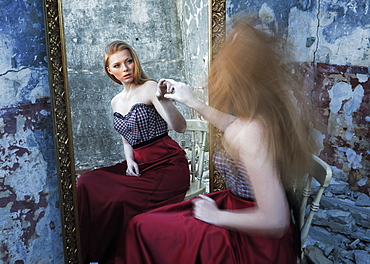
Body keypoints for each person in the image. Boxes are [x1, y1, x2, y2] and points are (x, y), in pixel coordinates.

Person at [122, 17, 317, 264]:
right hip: (235, 208)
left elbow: (276, 221)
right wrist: (191, 101)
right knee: (145, 224)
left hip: (251, 240)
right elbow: (233, 125)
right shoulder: (259, 116)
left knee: (142, 228)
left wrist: (215, 216)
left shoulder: (252, 132)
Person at [77, 40, 190, 264]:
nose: (125, 68)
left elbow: (181, 127)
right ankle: (87, 253)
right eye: (117, 65)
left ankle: (121, 255)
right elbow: (125, 136)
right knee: (86, 182)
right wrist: (129, 160)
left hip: (167, 165)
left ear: (135, 62)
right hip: (139, 164)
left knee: (119, 198)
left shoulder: (149, 87)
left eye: (128, 61)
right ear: (109, 70)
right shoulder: (115, 101)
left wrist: (162, 99)